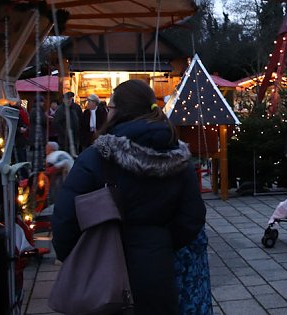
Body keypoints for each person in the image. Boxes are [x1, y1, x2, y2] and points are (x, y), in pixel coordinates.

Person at [52, 79, 206, 315]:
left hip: (102, 270)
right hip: (158, 270)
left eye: (110, 107)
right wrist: (161, 242)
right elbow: (193, 216)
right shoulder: (178, 155)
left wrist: (76, 257)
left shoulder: (98, 156)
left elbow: (65, 217)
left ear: (119, 112)